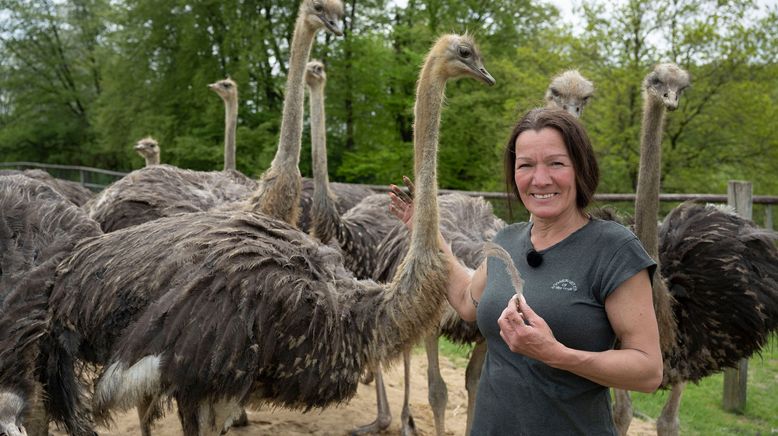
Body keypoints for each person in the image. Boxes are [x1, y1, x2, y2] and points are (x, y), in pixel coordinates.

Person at [388, 107, 662, 435]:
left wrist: (557, 354)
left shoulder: (613, 249)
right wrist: (425, 231)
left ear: (580, 168)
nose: (540, 179)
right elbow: (464, 301)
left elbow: (648, 371)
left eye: (556, 163)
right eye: (526, 165)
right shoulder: (507, 241)